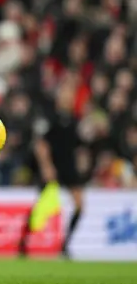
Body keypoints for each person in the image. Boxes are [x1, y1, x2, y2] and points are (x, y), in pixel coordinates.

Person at [18, 84, 87, 258]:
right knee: (41, 207)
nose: (68, 99)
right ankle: (23, 242)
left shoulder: (74, 119)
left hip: (68, 166)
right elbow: (41, 144)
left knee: (80, 205)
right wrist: (47, 166)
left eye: (70, 96)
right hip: (54, 166)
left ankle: (65, 244)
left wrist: (80, 163)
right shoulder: (49, 118)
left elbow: (77, 145)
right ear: (59, 98)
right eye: (65, 95)